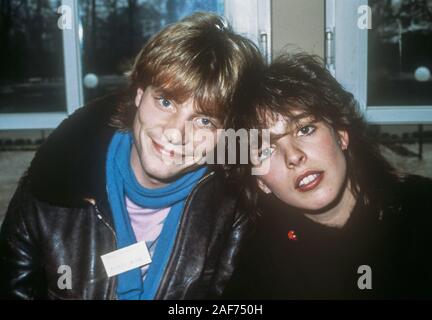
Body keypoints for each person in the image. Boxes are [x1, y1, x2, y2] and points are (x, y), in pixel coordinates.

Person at [0, 13, 263, 300]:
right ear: (139, 94)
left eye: (204, 121)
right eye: (165, 102)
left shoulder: (233, 207)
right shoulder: (52, 186)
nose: (176, 133)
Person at [224, 53, 432, 299]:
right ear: (260, 181)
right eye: (265, 150)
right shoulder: (254, 258)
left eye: (305, 129)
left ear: (341, 134)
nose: (293, 156)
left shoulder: (421, 208)